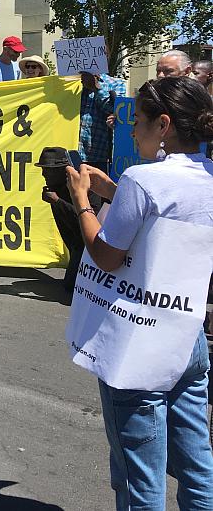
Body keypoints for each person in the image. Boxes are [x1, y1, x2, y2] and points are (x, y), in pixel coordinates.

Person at [65, 76, 213, 510]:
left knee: (139, 477)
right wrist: (113, 191)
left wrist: (81, 201)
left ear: (163, 125)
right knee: (196, 465)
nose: (132, 130)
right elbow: (163, 218)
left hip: (139, 344)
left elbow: (107, 255)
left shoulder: (143, 179)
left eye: (140, 122)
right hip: (188, 339)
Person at [36, 147, 103, 291]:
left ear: (62, 170)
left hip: (99, 242)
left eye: (47, 170)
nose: (43, 174)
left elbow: (91, 222)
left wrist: (58, 202)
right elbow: (66, 231)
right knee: (70, 284)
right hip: (79, 243)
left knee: (74, 287)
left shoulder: (85, 185)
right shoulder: (55, 189)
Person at [78, 72, 116, 172]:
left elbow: (115, 111)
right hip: (71, 153)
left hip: (98, 155)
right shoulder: (70, 83)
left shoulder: (115, 83)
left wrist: (96, 88)